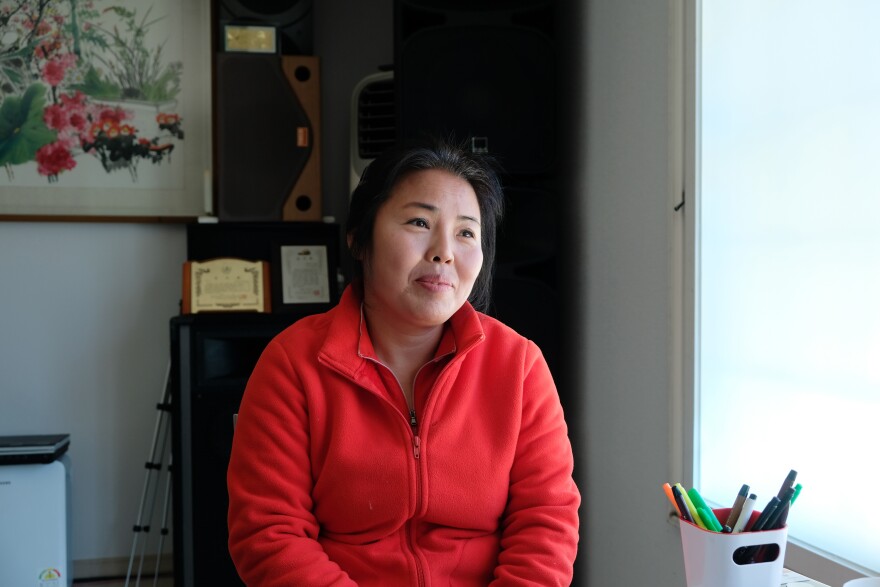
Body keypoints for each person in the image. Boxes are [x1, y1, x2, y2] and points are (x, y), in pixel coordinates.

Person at [227, 139, 581, 586]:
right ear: (359, 238)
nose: (444, 251)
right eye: (419, 221)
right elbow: (269, 534)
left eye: (466, 232)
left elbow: (547, 522)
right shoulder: (292, 364)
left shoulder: (520, 366)